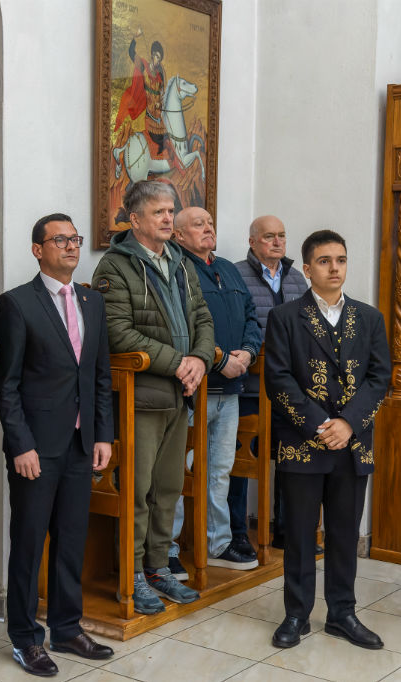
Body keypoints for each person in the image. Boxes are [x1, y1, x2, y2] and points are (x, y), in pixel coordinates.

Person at [0, 214, 115, 676]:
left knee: (71, 538)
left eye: (74, 239)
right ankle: (25, 638)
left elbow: (99, 374)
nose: (70, 246)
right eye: (59, 239)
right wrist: (20, 444)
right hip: (36, 448)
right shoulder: (16, 304)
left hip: (81, 443)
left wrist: (102, 433)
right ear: (37, 249)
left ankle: (66, 628)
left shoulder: (91, 300)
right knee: (29, 542)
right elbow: (6, 385)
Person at [92, 180, 215, 615]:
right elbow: (117, 333)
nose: (168, 218)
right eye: (159, 212)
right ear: (135, 219)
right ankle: (133, 576)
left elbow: (203, 318)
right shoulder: (114, 266)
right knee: (138, 490)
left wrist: (199, 360)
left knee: (168, 488)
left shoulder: (179, 260)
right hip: (141, 397)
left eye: (170, 210)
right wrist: (179, 362)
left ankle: (160, 568)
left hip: (180, 394)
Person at [264, 230, 391, 649]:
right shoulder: (285, 317)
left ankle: (342, 613)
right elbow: (278, 379)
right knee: (300, 534)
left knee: (344, 533)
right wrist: (321, 425)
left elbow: (379, 378)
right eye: (324, 261)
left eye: (340, 260)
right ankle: (296, 614)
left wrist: (349, 424)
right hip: (303, 442)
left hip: (353, 445)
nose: (334, 268)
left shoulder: (369, 318)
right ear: (307, 268)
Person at [169, 206, 262, 577]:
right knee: (177, 474)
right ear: (178, 235)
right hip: (193, 390)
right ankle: (167, 551)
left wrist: (249, 352)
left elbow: (251, 316)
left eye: (209, 223)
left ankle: (218, 543)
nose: (208, 228)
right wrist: (220, 359)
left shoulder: (227, 268)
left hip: (231, 389)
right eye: (198, 224)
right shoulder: (175, 269)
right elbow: (181, 325)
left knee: (220, 471)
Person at [230, 215, 308, 552]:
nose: (277, 242)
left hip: (289, 388)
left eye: (282, 236)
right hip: (250, 388)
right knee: (241, 464)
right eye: (269, 237)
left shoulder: (296, 278)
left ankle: (287, 533)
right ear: (252, 242)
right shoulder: (235, 274)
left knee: (291, 458)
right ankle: (237, 534)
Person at [114, 29, 167, 153]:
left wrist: (160, 102)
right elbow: (131, 52)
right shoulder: (143, 65)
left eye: (160, 59)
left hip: (157, 112)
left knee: (164, 138)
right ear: (152, 55)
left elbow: (162, 93)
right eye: (157, 57)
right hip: (144, 107)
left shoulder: (160, 75)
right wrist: (135, 36)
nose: (158, 61)